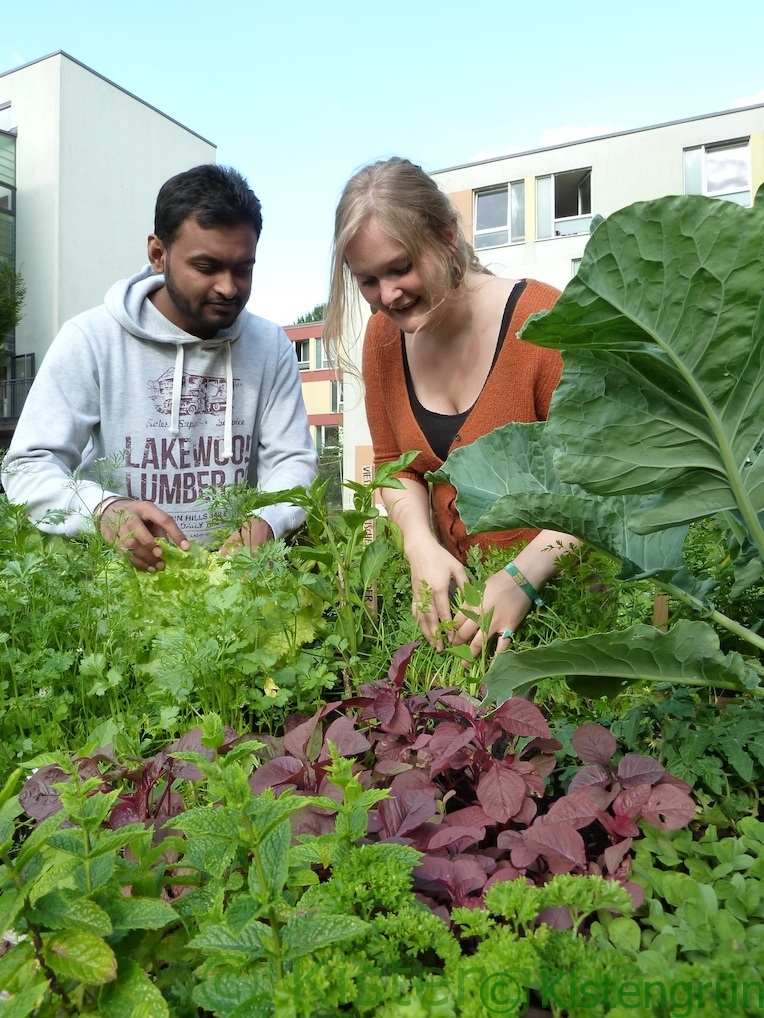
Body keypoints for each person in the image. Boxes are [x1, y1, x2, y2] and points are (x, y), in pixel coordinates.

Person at [2, 164, 317, 571]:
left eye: (243, 268)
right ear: (157, 254)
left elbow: (293, 460)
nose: (228, 287)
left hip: (235, 588)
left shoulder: (270, 345)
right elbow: (27, 466)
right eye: (206, 267)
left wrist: (267, 521)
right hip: (114, 590)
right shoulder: (91, 338)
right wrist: (103, 510)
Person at [325, 157, 577, 657]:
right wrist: (419, 543)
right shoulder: (382, 340)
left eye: (401, 268)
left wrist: (522, 578)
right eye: (367, 280)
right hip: (457, 627)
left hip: (566, 617)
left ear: (446, 237)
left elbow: (605, 481)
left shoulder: (544, 323)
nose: (388, 296)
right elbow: (395, 466)